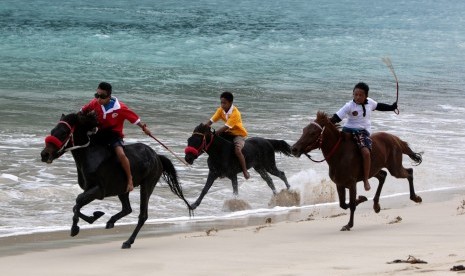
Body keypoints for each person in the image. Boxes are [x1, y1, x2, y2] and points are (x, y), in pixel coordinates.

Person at [80, 82, 151, 192]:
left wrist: (144, 128)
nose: (98, 99)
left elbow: (134, 119)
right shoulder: (94, 103)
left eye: (102, 96)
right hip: (99, 133)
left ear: (109, 96)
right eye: (96, 95)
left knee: (121, 155)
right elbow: (82, 111)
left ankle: (129, 179)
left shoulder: (120, 108)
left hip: (114, 135)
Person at [330, 82, 397, 191]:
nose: (357, 97)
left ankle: (366, 179)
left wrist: (392, 107)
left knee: (365, 152)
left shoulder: (370, 102)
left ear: (366, 96)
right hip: (348, 130)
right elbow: (337, 117)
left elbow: (379, 106)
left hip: (362, 132)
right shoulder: (349, 106)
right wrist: (327, 122)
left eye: (360, 95)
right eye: (355, 94)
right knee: (334, 147)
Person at [205, 91, 250, 179]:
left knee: (237, 150)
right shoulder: (220, 110)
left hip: (238, 134)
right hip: (228, 133)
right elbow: (211, 121)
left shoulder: (235, 113)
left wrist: (213, 133)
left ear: (230, 103)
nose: (222, 105)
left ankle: (245, 171)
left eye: (224, 103)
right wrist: (203, 128)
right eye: (221, 102)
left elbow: (225, 127)